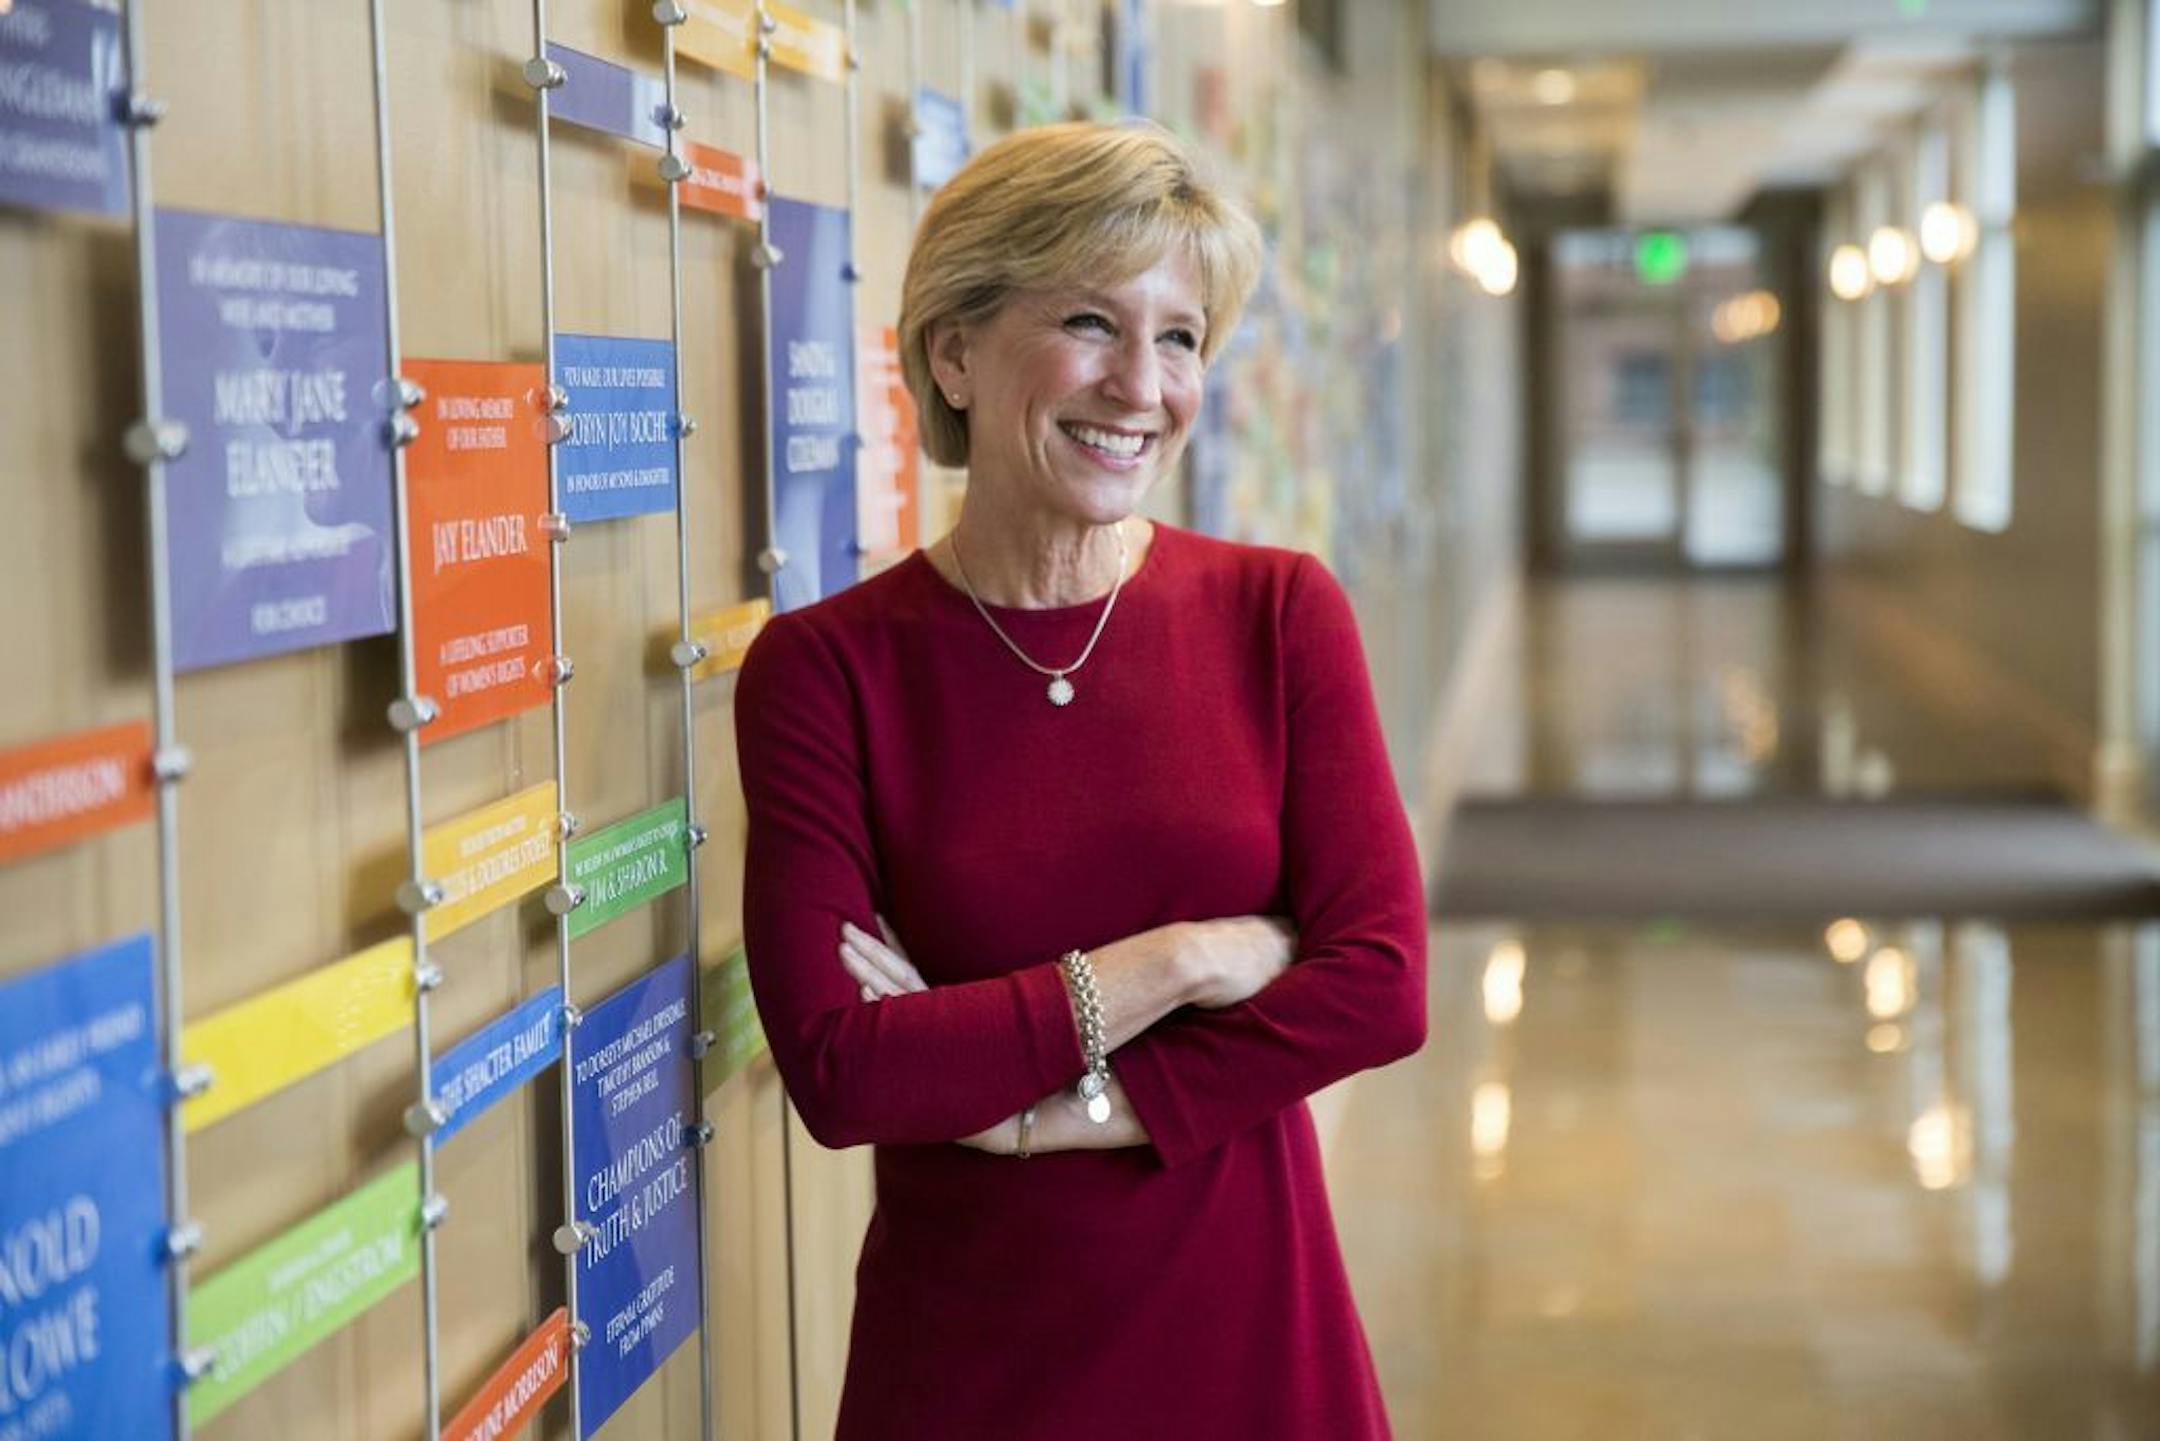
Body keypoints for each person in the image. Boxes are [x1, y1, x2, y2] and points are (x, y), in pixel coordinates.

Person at [735, 120, 1427, 1439]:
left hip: (1253, 1348)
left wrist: (1045, 1114)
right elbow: (842, 1067)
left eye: (1180, 337)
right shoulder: (827, 672)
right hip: (972, 1368)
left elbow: (1382, 987)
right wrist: (1182, 956)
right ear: (954, 350)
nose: (1142, 384)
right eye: (1092, 324)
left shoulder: (1277, 615)